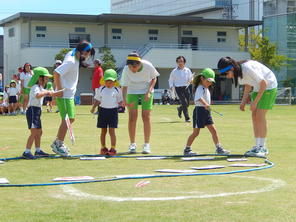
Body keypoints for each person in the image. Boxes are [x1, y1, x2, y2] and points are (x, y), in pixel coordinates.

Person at [218, 57, 278, 157]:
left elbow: (264, 83)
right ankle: (257, 146)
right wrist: (243, 101)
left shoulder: (247, 68)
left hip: (269, 86)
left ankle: (263, 148)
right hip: (258, 88)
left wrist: (255, 101)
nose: (227, 77)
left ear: (232, 68)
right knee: (254, 116)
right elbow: (248, 85)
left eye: (226, 73)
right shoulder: (238, 72)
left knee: (260, 116)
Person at [51, 41, 95, 156]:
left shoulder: (73, 54)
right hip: (65, 95)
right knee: (68, 119)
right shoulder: (71, 61)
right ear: (82, 52)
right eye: (88, 53)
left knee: (69, 119)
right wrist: (59, 90)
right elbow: (56, 73)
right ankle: (58, 144)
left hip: (68, 94)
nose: (88, 56)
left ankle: (58, 142)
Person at [183, 68, 230, 156]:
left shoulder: (205, 87)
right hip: (199, 112)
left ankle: (219, 148)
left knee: (214, 131)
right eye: (208, 81)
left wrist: (207, 106)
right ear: (202, 78)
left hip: (206, 112)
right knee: (196, 133)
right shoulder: (200, 87)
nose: (210, 83)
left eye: (211, 81)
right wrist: (206, 104)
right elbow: (199, 98)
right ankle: (187, 149)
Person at [121, 52, 159, 154]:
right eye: (129, 67)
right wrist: (123, 99)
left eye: (133, 67)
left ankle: (147, 144)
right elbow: (124, 86)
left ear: (138, 64)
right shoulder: (126, 69)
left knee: (146, 116)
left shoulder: (147, 65)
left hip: (146, 90)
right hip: (132, 91)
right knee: (132, 117)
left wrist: (149, 91)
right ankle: (132, 144)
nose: (132, 70)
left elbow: (154, 78)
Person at [22, 67, 56, 159]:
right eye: (46, 77)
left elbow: (45, 92)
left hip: (37, 111)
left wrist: (51, 92)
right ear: (39, 78)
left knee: (39, 132)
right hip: (33, 110)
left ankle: (38, 150)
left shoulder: (40, 87)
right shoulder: (35, 87)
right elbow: (37, 95)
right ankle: (27, 151)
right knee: (34, 132)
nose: (47, 79)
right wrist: (47, 92)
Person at [90, 69, 123, 156]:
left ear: (115, 81)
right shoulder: (101, 89)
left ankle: (113, 148)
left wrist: (126, 104)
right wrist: (93, 107)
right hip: (102, 111)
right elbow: (97, 99)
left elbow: (120, 101)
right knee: (103, 131)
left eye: (111, 81)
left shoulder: (117, 90)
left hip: (113, 112)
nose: (109, 83)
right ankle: (103, 147)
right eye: (107, 81)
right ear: (104, 80)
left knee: (112, 131)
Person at [168, 56, 193, 122]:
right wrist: (171, 87)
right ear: (177, 62)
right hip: (178, 88)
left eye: (181, 61)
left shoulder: (188, 70)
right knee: (184, 103)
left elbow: (191, 78)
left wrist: (191, 80)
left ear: (184, 62)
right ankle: (187, 118)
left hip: (186, 87)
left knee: (187, 104)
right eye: (179, 61)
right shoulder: (174, 71)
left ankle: (179, 108)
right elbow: (171, 80)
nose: (180, 63)